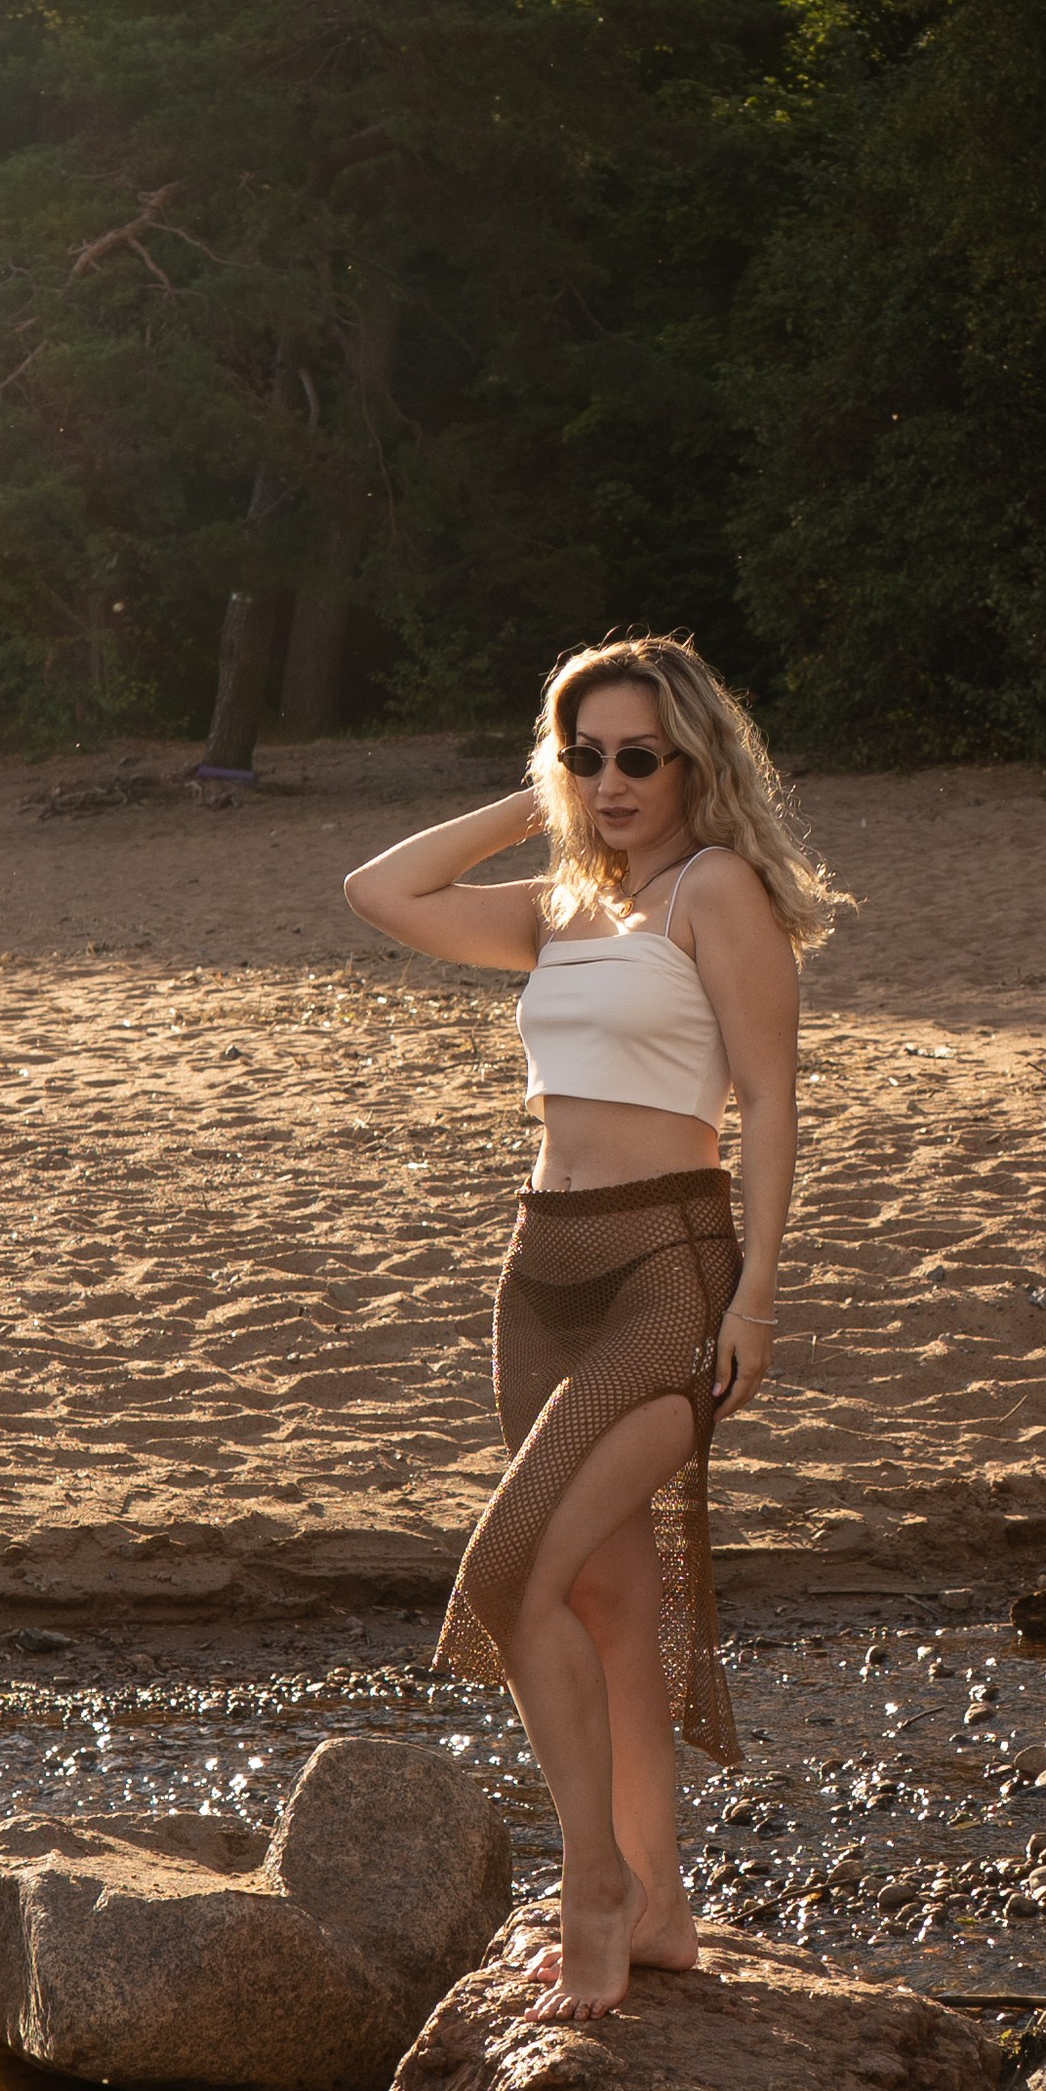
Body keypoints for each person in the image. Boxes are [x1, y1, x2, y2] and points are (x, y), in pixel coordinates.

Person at [344, 638, 842, 2019]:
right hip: (540, 1274)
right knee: (609, 1601)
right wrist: (543, 801)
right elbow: (380, 892)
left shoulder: (715, 890)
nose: (612, 781)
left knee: (512, 1577)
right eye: (587, 756)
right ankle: (664, 1904)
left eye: (637, 757)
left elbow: (773, 1105)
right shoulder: (563, 903)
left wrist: (757, 1296)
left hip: (667, 1268)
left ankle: (595, 1889)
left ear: (694, 762)